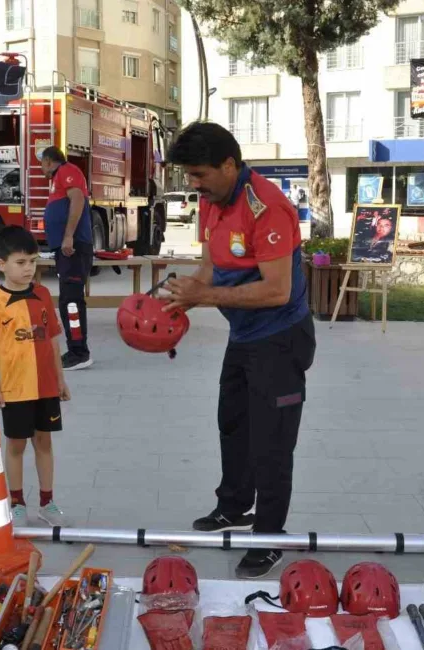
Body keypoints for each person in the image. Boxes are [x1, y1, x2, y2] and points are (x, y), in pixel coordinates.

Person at [164, 122, 316, 579]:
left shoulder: (267, 207)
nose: (193, 185)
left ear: (229, 165)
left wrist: (204, 298)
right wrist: (180, 298)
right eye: (188, 176)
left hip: (280, 337)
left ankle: (269, 538)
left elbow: (277, 290)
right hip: (244, 335)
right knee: (233, 425)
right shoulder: (213, 203)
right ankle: (233, 508)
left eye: (198, 174)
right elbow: (211, 263)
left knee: (272, 443)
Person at [0, 225, 70, 528]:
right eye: (20, 262)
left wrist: (60, 380)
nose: (28, 268)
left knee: (44, 442)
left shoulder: (42, 294)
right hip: (15, 389)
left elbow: (54, 339)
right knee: (16, 445)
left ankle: (47, 502)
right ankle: (16, 503)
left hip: (45, 387)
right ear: (1, 264)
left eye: (32, 261)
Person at [39, 147, 94, 371]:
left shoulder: (66, 171)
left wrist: (69, 236)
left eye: (42, 163)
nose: (41, 168)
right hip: (66, 250)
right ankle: (76, 349)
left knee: (71, 301)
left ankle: (79, 352)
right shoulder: (57, 178)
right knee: (67, 300)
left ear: (50, 161)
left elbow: (78, 198)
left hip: (74, 248)